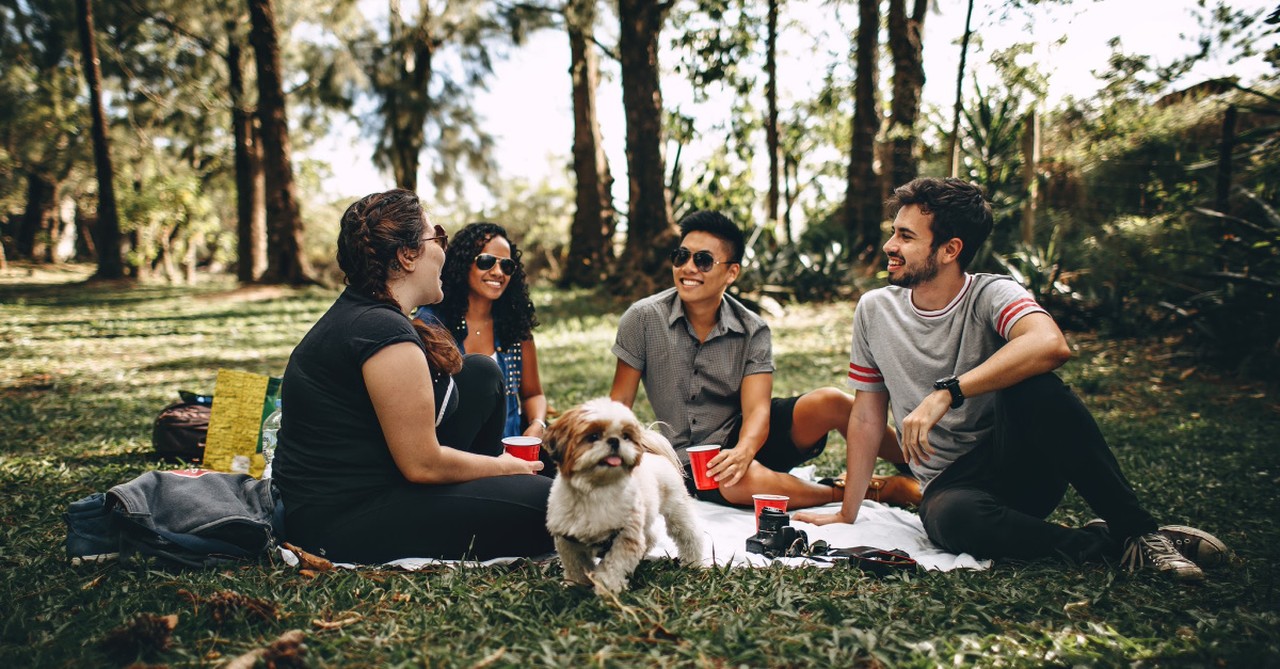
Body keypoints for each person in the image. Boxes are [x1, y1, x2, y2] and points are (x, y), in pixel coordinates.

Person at [795, 177, 1227, 582]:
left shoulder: (991, 293)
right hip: (951, 487)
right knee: (952, 520)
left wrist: (949, 391)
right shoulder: (875, 310)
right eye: (895, 231)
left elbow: (1050, 344)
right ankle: (1113, 545)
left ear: (950, 249)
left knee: (1035, 386)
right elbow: (868, 416)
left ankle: (1140, 530)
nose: (890, 245)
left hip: (1019, 463)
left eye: (906, 237)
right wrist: (847, 512)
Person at [272, 189, 553, 564]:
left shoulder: (370, 314)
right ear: (407, 256)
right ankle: (502, 491)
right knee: (553, 505)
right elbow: (422, 464)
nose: (443, 249)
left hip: (381, 480)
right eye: (436, 236)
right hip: (341, 519)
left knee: (481, 373)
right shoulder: (380, 331)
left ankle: (495, 491)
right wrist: (507, 465)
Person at [609, 210, 919, 510]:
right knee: (736, 481)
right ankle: (869, 491)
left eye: (703, 260)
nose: (688, 268)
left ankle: (923, 467)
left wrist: (744, 451)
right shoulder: (643, 319)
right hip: (693, 460)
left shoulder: (752, 328)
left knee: (832, 401)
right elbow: (619, 404)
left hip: (749, 434)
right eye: (681, 257)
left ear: (731, 272)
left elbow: (757, 410)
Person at [415, 222, 548, 440]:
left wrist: (537, 425)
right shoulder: (431, 324)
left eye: (507, 266)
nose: (497, 272)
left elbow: (533, 394)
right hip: (455, 454)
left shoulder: (514, 325)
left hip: (512, 453)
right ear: (463, 264)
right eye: (486, 262)